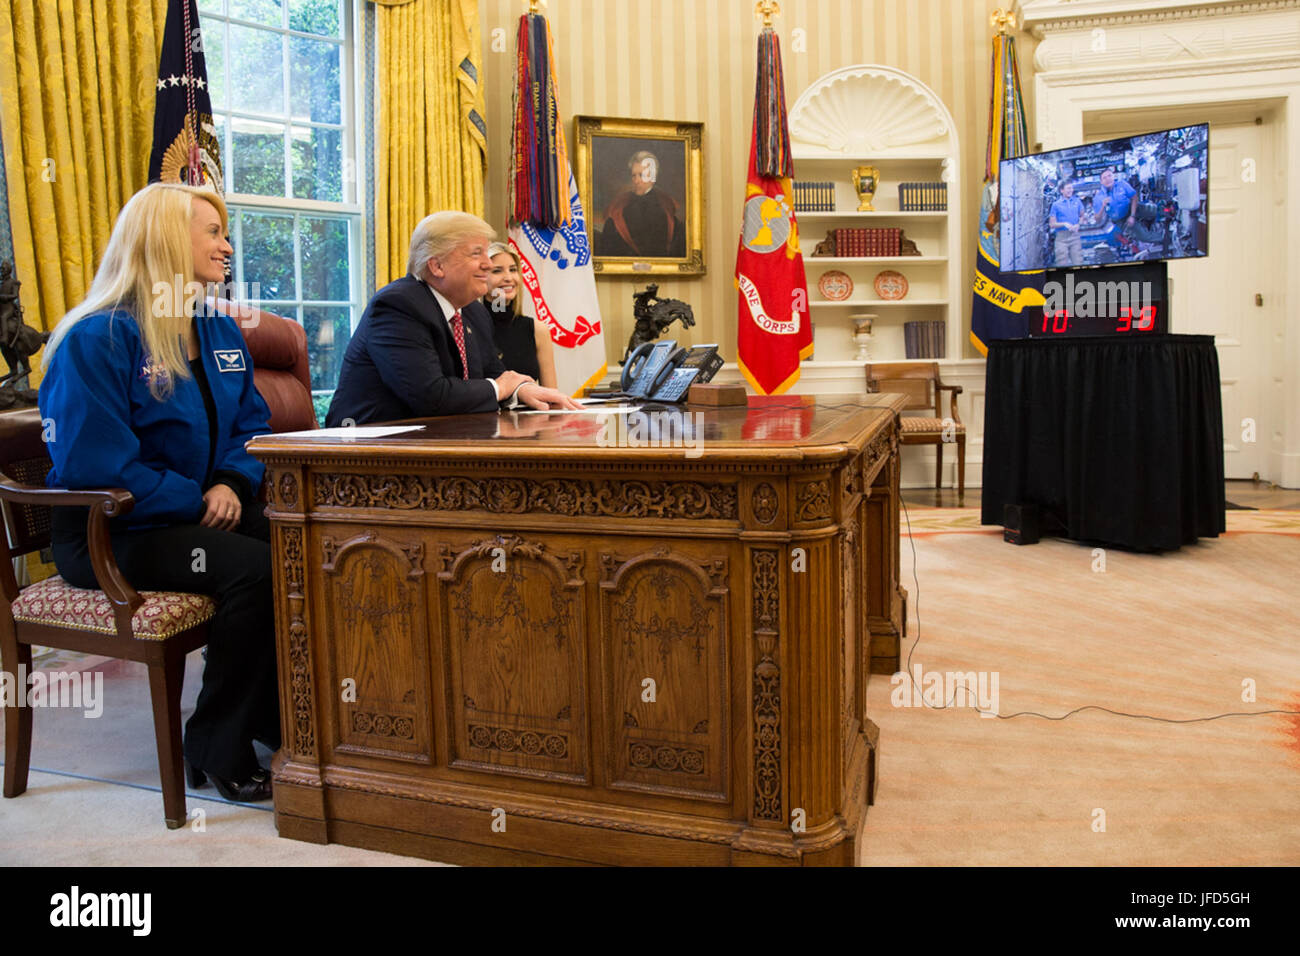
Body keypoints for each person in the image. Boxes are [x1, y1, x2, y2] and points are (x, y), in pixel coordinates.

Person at [38, 182, 278, 802]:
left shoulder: (218, 331)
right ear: (168, 240)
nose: (227, 247)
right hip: (112, 532)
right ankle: (215, 744)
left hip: (199, 510)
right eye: (214, 233)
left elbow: (251, 424)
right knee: (253, 570)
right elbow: (99, 465)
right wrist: (197, 500)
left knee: (299, 541)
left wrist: (229, 482)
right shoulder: (98, 338)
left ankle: (274, 716)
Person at [326, 212, 577, 426]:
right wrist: (501, 388)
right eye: (476, 254)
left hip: (443, 441)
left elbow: (493, 373)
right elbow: (431, 396)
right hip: (365, 452)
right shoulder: (398, 306)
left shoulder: (473, 312)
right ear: (437, 267)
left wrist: (522, 390)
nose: (488, 265)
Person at [482, 241, 558, 389]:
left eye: (513, 270)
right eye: (497, 271)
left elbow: (551, 394)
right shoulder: (468, 326)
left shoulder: (537, 329)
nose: (509, 278)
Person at [595, 150, 686, 258]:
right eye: (634, 176)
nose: (636, 181)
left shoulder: (667, 208)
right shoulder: (620, 206)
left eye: (641, 175)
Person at [1048, 179, 1083, 267]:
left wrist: (1078, 224)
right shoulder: (1056, 205)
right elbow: (1052, 224)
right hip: (1061, 238)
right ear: (1061, 190)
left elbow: (1082, 216)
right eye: (1068, 188)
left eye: (1071, 188)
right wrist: (1064, 224)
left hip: (1075, 236)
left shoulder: (1077, 202)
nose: (1070, 190)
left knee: (1078, 262)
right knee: (1061, 264)